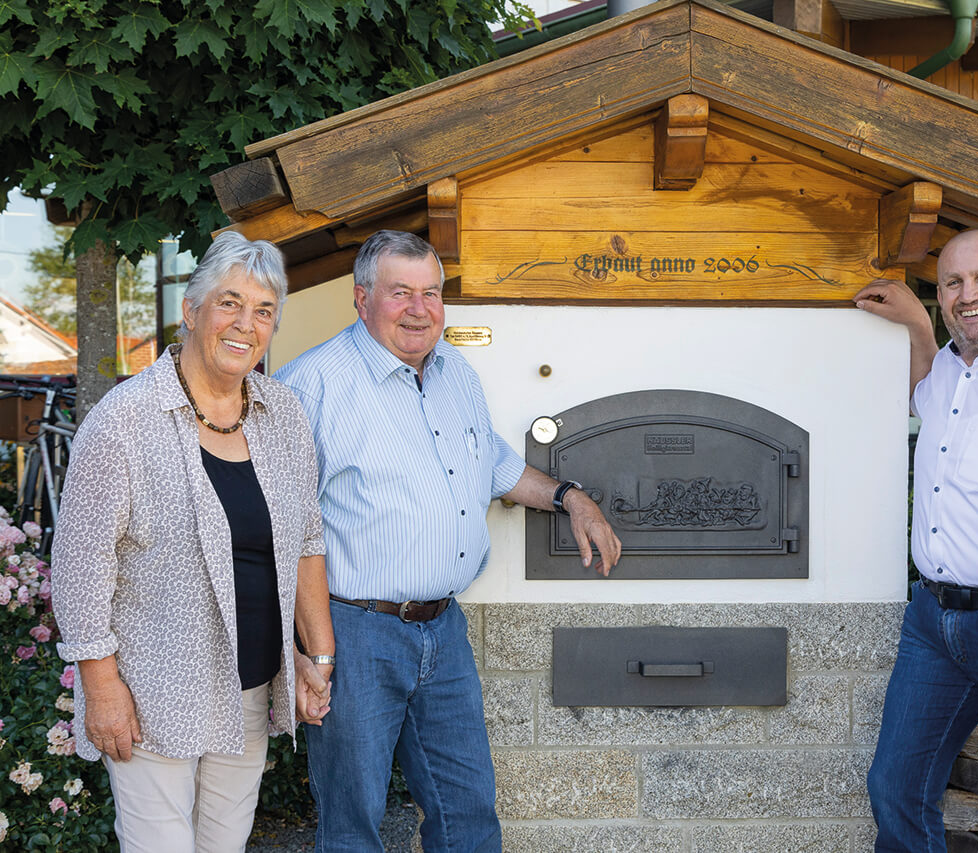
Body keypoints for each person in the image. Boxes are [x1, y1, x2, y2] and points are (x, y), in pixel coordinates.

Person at [274, 229, 622, 853]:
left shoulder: (455, 370)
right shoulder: (312, 386)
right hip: (354, 633)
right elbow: (283, 527)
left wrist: (571, 496)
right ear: (360, 298)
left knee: (468, 813)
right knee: (353, 825)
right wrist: (310, 651)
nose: (419, 308)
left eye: (431, 293)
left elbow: (490, 461)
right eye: (399, 292)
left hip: (444, 632)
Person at [51, 231, 335, 852]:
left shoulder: (282, 414)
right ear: (191, 310)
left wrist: (318, 656)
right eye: (229, 302)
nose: (245, 324)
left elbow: (306, 538)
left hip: (250, 688)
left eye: (263, 310)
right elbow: (79, 566)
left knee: (223, 847)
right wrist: (100, 688)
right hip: (154, 693)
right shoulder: (125, 420)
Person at [856, 229, 978, 852]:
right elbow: (923, 395)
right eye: (952, 283)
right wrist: (919, 328)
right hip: (931, 621)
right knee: (896, 788)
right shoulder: (947, 366)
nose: (969, 295)